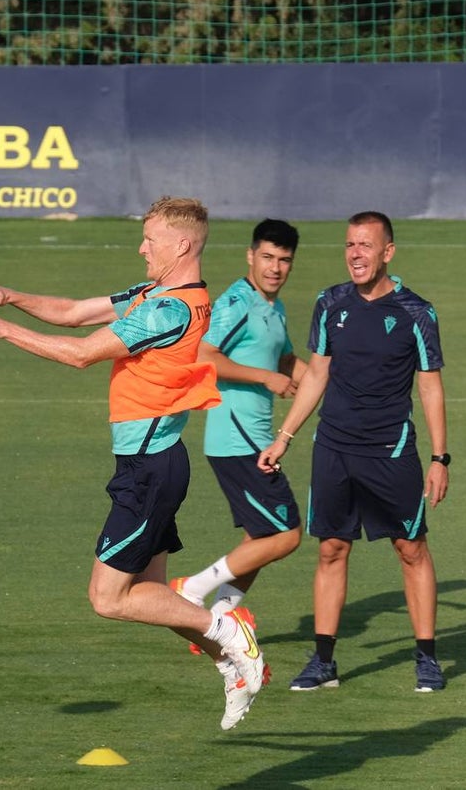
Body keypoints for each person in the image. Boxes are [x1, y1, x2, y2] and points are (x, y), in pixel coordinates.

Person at [0, 197, 268, 729]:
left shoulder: (168, 311)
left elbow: (79, 353)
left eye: (152, 239)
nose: (142, 247)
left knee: (108, 598)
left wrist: (2, 330)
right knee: (152, 596)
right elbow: (75, 312)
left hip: (149, 470)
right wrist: (9, 297)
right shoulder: (159, 294)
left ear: (183, 244)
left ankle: (227, 629)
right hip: (154, 463)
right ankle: (235, 665)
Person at [258, 211, 450, 693]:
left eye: (366, 246)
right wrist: (284, 437)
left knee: (410, 549)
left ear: (388, 252)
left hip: (391, 451)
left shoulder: (416, 312)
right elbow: (317, 374)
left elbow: (430, 388)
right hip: (334, 448)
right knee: (331, 548)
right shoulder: (330, 303)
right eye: (349, 245)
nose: (356, 254)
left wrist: (439, 457)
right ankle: (323, 662)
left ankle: (426, 658)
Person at [170, 219, 307, 632]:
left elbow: (284, 360)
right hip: (237, 438)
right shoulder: (237, 303)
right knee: (286, 535)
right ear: (251, 256)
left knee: (259, 539)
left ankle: (220, 620)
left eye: (284, 260)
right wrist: (265, 378)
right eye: (267, 257)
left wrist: (329, 381)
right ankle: (190, 590)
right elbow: (205, 356)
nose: (275, 267)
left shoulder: (273, 307)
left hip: (257, 438)